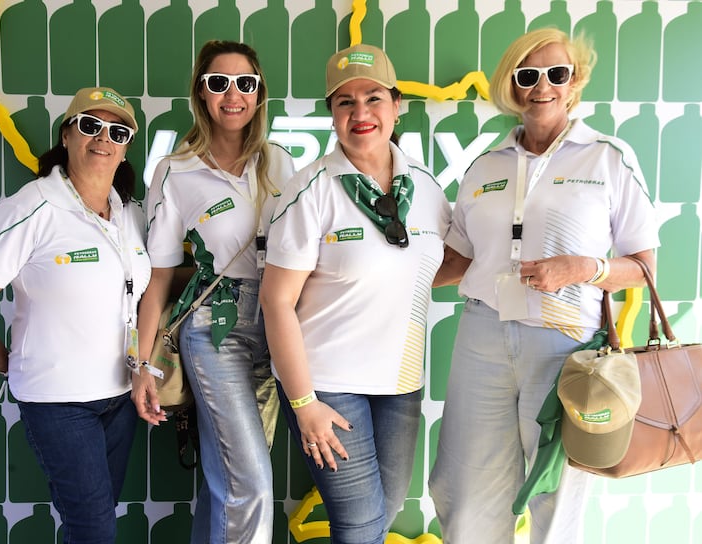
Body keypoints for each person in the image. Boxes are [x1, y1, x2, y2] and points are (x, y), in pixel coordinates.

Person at [427, 28, 659, 543]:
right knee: (465, 487)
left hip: (565, 340)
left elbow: (645, 269)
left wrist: (585, 269)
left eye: (557, 74)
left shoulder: (608, 157)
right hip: (482, 336)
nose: (542, 87)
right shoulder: (484, 166)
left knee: (557, 492)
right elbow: (459, 259)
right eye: (527, 76)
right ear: (513, 85)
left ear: (574, 82)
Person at [259, 43, 450, 544]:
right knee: (360, 524)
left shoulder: (427, 189)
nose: (361, 113)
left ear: (396, 104)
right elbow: (276, 302)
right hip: (327, 384)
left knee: (381, 515)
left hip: (401, 383)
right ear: (332, 114)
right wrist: (304, 404)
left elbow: (434, 265)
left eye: (373, 98)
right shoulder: (310, 191)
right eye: (345, 102)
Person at [0, 87, 150, 544]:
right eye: (90, 125)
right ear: (67, 135)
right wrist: (6, 362)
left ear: (126, 146)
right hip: (58, 400)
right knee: (94, 529)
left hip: (120, 395)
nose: (103, 138)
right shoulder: (32, 205)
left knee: (94, 520)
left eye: (117, 131)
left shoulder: (128, 212)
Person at [130, 40, 294, 543]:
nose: (232, 95)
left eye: (245, 83)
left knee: (229, 483)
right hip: (213, 330)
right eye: (218, 82)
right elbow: (158, 278)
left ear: (259, 93)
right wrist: (144, 364)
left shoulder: (282, 165)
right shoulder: (176, 172)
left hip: (278, 328)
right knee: (251, 486)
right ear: (201, 93)